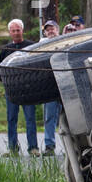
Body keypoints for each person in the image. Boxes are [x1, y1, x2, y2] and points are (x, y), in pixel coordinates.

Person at [0, 19, 38, 156]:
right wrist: (6, 83)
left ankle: (33, 148)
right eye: (13, 31)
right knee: (11, 118)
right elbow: (0, 69)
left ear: (22, 30)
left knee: (30, 118)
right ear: (10, 32)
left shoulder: (31, 47)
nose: (16, 33)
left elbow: (36, 66)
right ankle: (12, 148)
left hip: (28, 89)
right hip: (11, 90)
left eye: (18, 30)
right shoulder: (5, 49)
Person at [40, 20, 60, 156]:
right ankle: (49, 145)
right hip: (49, 84)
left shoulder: (65, 41)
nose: (50, 31)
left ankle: (74, 147)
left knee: (69, 118)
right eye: (48, 30)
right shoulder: (41, 45)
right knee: (49, 117)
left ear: (57, 30)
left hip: (65, 83)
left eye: (52, 28)